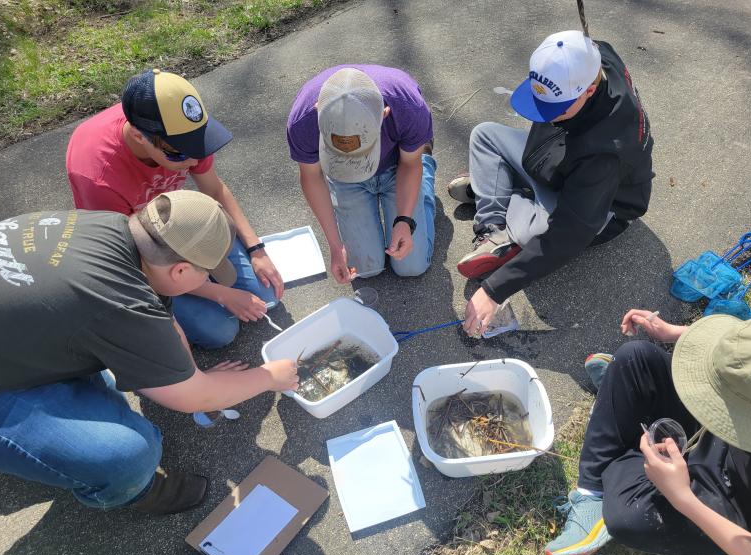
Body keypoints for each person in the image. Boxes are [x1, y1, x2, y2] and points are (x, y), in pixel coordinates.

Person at [0, 191, 299, 514]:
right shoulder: (120, 300)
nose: (210, 279)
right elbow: (194, 399)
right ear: (180, 271)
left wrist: (192, 373)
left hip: (17, 335)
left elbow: (165, 323)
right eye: (207, 272)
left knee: (105, 384)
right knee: (131, 454)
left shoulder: (117, 231)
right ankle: (131, 492)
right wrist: (267, 377)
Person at [544, 310, 751, 555]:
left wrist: (682, 497)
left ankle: (615, 433)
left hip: (734, 500)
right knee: (635, 358)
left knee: (628, 517)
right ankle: (596, 481)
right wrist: (676, 333)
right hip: (725, 438)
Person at [451, 31, 654, 337]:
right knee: (485, 135)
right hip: (559, 158)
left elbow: (569, 234)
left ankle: (503, 193)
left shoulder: (605, 152)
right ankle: (494, 226)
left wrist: (494, 290)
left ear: (587, 91)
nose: (547, 115)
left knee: (538, 232)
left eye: (556, 108)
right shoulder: (594, 56)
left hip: (606, 207)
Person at [66, 68, 282, 349]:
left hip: (177, 221)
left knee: (266, 295)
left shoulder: (180, 129)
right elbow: (130, 261)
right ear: (139, 136)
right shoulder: (98, 177)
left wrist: (256, 249)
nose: (194, 160)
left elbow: (214, 189)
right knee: (220, 331)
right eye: (179, 152)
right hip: (141, 250)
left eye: (199, 146)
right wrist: (220, 294)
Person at [287, 65, 436, 282]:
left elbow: (409, 164)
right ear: (318, 112)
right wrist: (335, 246)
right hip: (344, 177)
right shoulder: (302, 121)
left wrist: (404, 221)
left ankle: (426, 162)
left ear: (384, 114)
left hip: (398, 165)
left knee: (411, 266)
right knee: (366, 268)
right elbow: (311, 176)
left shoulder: (407, 106)